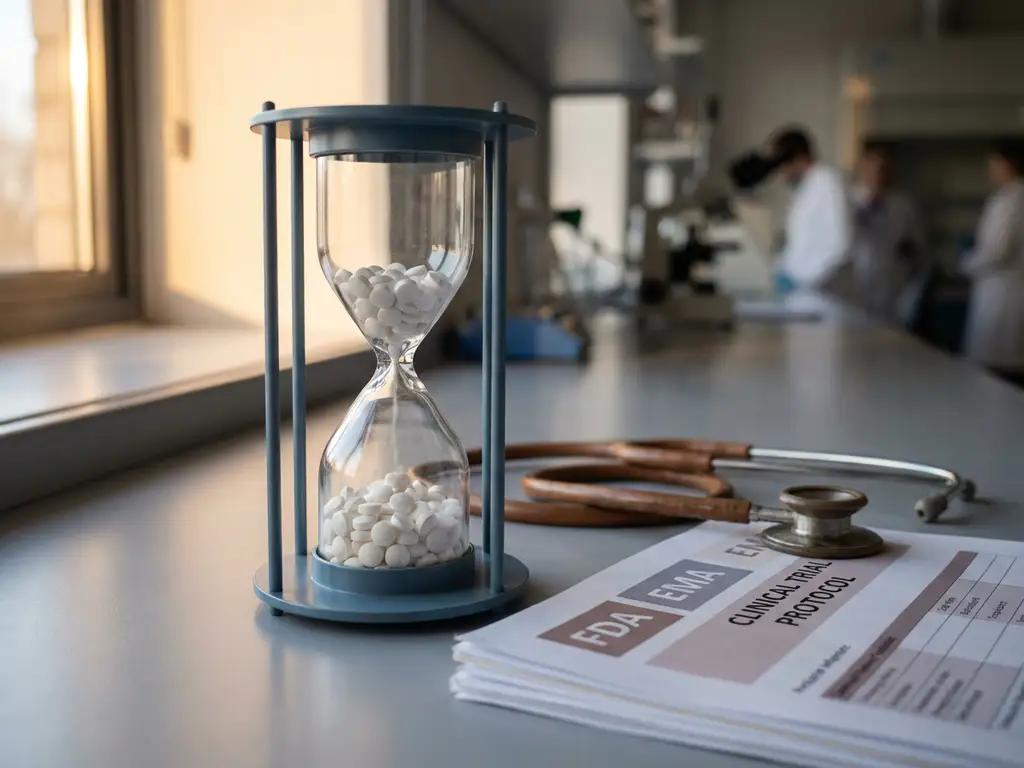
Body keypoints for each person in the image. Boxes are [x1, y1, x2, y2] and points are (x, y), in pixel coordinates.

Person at [961, 140, 1024, 385]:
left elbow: (997, 251)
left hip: (1003, 296)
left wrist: (965, 263)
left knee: (996, 376)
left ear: (1006, 165)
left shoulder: (1008, 202)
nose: (990, 171)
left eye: (992, 165)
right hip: (1012, 295)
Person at [848, 142, 926, 323]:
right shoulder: (847, 202)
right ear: (860, 167)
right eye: (870, 167)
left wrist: (906, 251)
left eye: (881, 168)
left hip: (891, 289)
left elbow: (916, 247)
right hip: (854, 288)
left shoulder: (903, 205)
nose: (876, 174)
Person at [771, 127, 851, 292]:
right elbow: (801, 245)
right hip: (803, 288)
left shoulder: (826, 182)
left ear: (798, 159)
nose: (779, 173)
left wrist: (802, 281)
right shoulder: (804, 189)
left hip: (818, 288)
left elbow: (839, 246)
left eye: (780, 165)